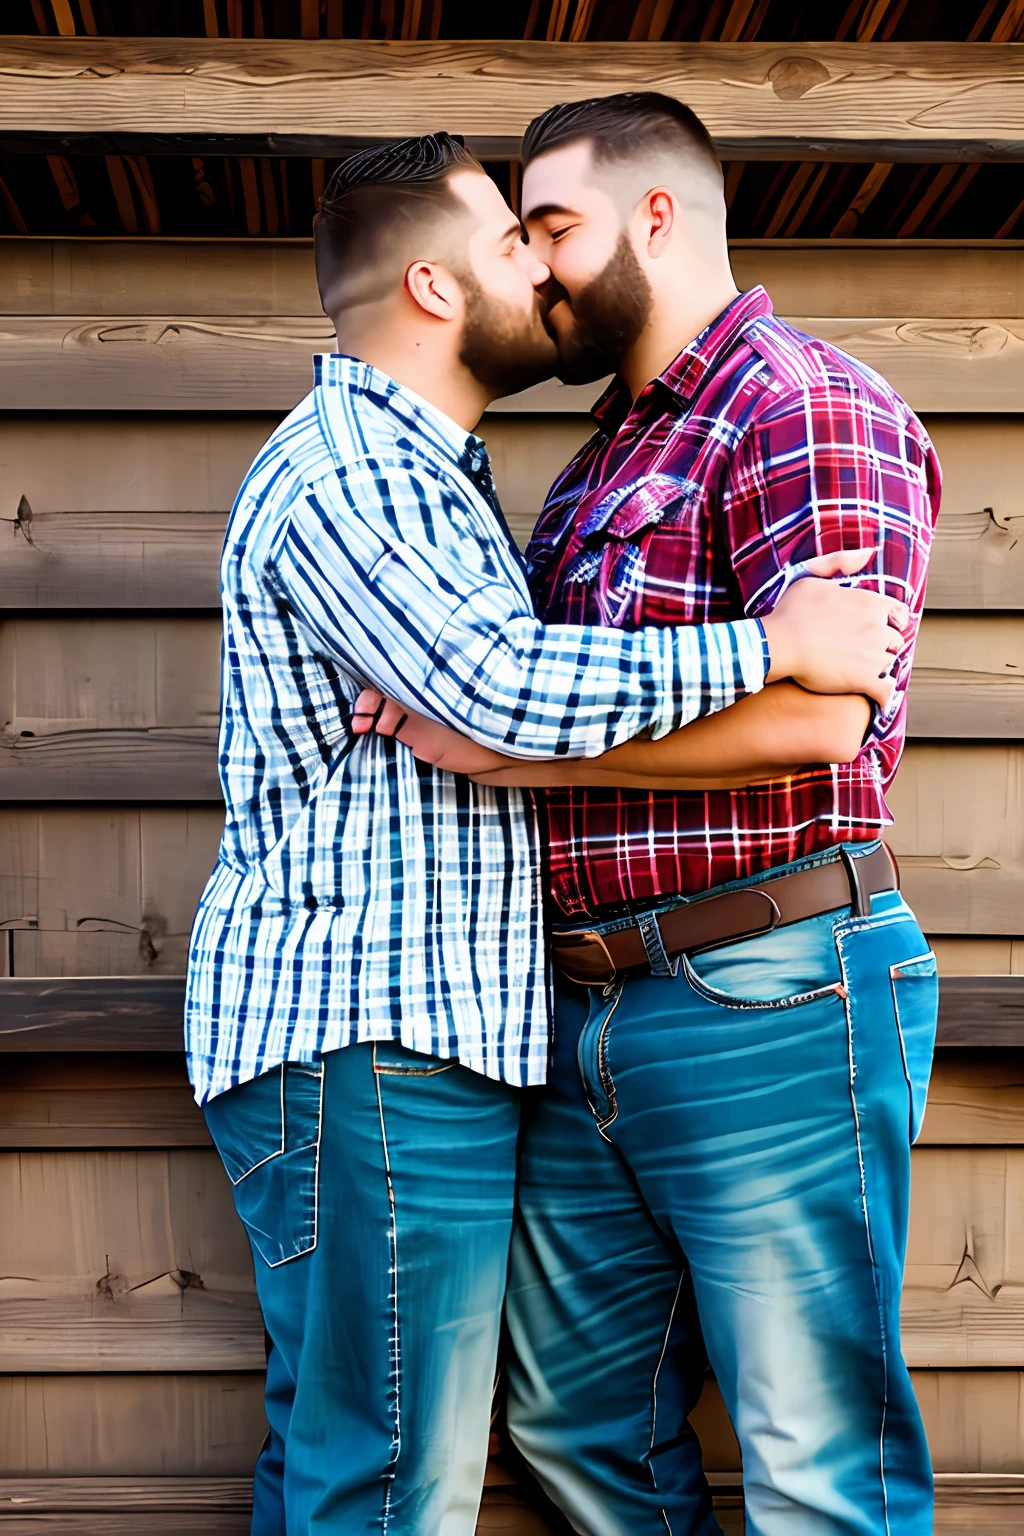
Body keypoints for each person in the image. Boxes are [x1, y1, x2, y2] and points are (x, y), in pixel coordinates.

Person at [186, 131, 904, 1536]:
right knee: (395, 1474)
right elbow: (502, 686)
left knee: (354, 1453)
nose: (543, 267)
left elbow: (527, 708)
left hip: (527, 1025)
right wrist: (774, 642)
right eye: (516, 240)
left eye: (548, 226)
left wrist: (506, 734)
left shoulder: (462, 470)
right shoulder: (356, 470)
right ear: (442, 291)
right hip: (375, 1035)